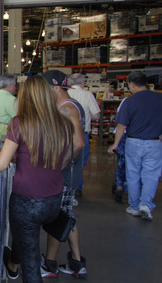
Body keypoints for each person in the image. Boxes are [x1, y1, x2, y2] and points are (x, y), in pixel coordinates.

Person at [0, 75, 77, 283]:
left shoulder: (20, 124)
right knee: (25, 244)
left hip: (26, 202)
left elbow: (2, 164)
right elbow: (67, 156)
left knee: (30, 259)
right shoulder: (63, 123)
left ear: (26, 97)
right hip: (53, 200)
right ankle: (12, 265)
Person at [41, 70, 87, 279]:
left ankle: (50, 264)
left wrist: (59, 166)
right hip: (69, 174)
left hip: (65, 176)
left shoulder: (67, 109)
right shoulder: (66, 106)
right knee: (67, 216)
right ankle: (77, 263)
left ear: (56, 87)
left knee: (58, 217)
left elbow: (78, 143)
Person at [108, 71, 162, 221]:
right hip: (154, 142)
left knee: (133, 175)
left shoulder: (129, 101)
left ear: (131, 84)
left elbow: (121, 126)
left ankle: (134, 206)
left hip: (134, 142)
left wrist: (115, 144)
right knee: (151, 175)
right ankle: (146, 204)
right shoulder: (160, 98)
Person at [67, 73, 100, 192]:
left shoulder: (65, 94)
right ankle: (77, 187)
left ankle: (66, 188)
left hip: (65, 134)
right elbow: (96, 115)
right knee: (79, 163)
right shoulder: (88, 95)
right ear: (83, 83)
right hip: (82, 134)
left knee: (64, 162)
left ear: (70, 82)